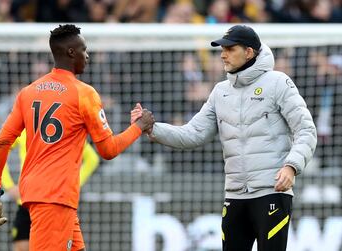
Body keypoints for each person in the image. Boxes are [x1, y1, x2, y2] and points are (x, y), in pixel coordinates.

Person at [132, 25, 317, 251]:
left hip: (272, 192)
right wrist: (152, 128)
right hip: (235, 195)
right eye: (222, 49)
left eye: (229, 48)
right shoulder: (220, 91)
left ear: (249, 52)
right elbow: (193, 134)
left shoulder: (278, 82)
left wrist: (291, 166)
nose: (222, 54)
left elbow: (306, 130)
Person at [0, 24, 154, 251]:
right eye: (85, 49)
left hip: (40, 196)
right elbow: (108, 150)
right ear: (71, 52)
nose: (88, 55)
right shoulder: (84, 93)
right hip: (55, 199)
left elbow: (2, 142)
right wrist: (139, 127)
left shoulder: (28, 92)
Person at [1, 129, 100, 251]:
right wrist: (9, 186)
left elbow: (92, 159)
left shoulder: (61, 129)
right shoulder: (33, 127)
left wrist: (69, 184)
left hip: (48, 202)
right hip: (33, 202)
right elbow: (1, 148)